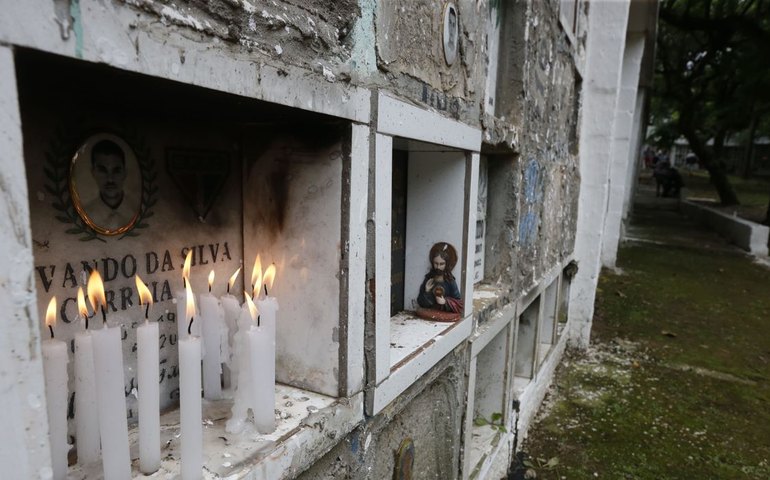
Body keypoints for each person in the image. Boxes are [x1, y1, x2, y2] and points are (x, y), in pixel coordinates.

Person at [82, 139, 138, 230]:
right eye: (102, 170)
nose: (110, 179)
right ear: (93, 173)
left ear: (125, 173)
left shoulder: (137, 210)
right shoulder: (85, 215)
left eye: (116, 170)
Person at [417, 242, 463, 314]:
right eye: (436, 263)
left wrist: (445, 302)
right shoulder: (429, 279)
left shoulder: (449, 281)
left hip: (444, 315)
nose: (438, 267)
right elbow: (421, 302)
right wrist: (426, 291)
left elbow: (459, 304)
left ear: (447, 264)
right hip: (430, 313)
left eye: (441, 264)